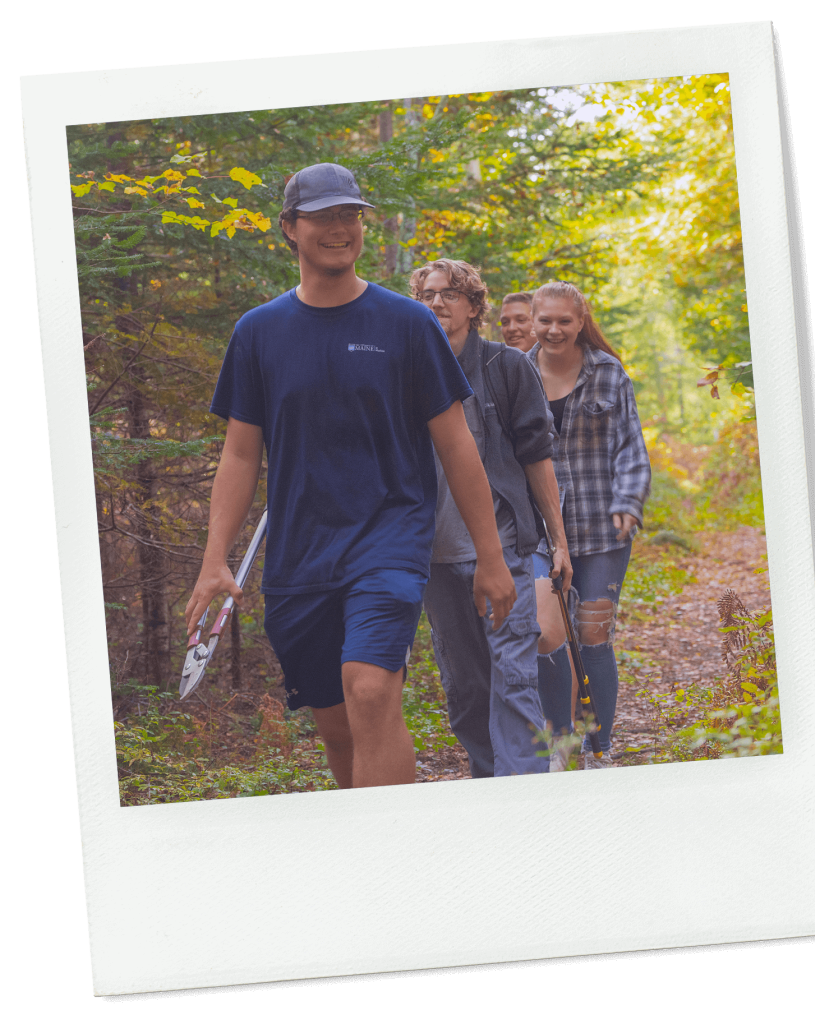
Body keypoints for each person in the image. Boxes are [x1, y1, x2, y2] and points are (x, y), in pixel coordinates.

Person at [184, 163, 517, 790]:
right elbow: (239, 455)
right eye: (323, 216)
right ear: (289, 228)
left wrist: (491, 557)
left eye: (350, 216)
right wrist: (214, 559)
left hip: (388, 540)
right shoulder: (258, 333)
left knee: (368, 691)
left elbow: (456, 445)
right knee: (337, 726)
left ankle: (392, 861)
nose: (340, 228)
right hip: (299, 556)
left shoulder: (407, 323)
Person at [408, 259, 572, 778]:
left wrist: (559, 542)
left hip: (504, 549)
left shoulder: (505, 366)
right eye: (429, 294)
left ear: (475, 307)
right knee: (466, 685)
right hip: (433, 554)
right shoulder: (404, 370)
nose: (438, 303)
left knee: (515, 674)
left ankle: (523, 787)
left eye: (451, 294)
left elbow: (536, 457)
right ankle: (487, 780)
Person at [527, 281, 651, 770]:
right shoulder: (517, 372)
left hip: (602, 528)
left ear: (581, 322)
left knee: (593, 636)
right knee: (545, 631)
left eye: (564, 321)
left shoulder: (608, 373)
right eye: (545, 321)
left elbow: (631, 446)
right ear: (534, 322)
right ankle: (561, 744)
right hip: (539, 530)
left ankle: (599, 746)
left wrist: (628, 501)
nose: (554, 330)